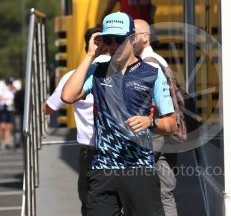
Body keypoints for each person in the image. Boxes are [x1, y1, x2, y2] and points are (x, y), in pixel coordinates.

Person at [61, 12, 176, 216]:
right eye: (108, 39)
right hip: (103, 169)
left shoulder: (153, 73)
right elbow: (68, 96)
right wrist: (90, 55)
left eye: (119, 39)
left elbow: (171, 124)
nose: (113, 45)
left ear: (132, 39)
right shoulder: (97, 70)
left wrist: (149, 122)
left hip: (139, 169)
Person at [43, 27, 110, 216]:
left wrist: (42, 103)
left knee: (90, 205)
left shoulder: (72, 78)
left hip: (91, 153)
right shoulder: (126, 71)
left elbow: (49, 107)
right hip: (125, 150)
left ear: (86, 46)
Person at [134, 19, 178, 216]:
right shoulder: (159, 59)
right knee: (165, 192)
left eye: (132, 34)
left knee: (140, 191)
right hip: (167, 133)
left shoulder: (148, 64)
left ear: (145, 37)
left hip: (154, 133)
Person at [0, 77, 16, 149]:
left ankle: (7, 143)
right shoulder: (3, 89)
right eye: (9, 83)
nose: (10, 85)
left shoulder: (13, 90)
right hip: (4, 108)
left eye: (11, 83)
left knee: (8, 127)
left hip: (10, 109)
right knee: (2, 126)